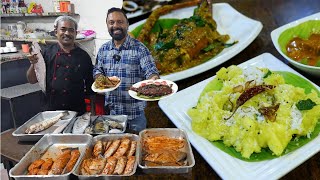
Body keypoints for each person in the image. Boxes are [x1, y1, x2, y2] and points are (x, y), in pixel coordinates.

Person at [93, 7, 160, 132]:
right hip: (113, 114)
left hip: (135, 114)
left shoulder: (139, 48)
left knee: (137, 147)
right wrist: (100, 81)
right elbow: (98, 70)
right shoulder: (103, 49)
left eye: (120, 22)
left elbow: (150, 70)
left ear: (127, 24)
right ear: (107, 25)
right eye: (111, 22)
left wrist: (153, 80)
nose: (116, 25)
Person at [26, 15, 94, 115]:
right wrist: (33, 64)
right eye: (63, 29)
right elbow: (31, 80)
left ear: (75, 33)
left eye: (71, 30)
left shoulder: (84, 56)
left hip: (76, 110)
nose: (67, 33)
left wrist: (92, 112)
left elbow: (90, 87)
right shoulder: (46, 53)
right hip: (50, 109)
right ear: (56, 31)